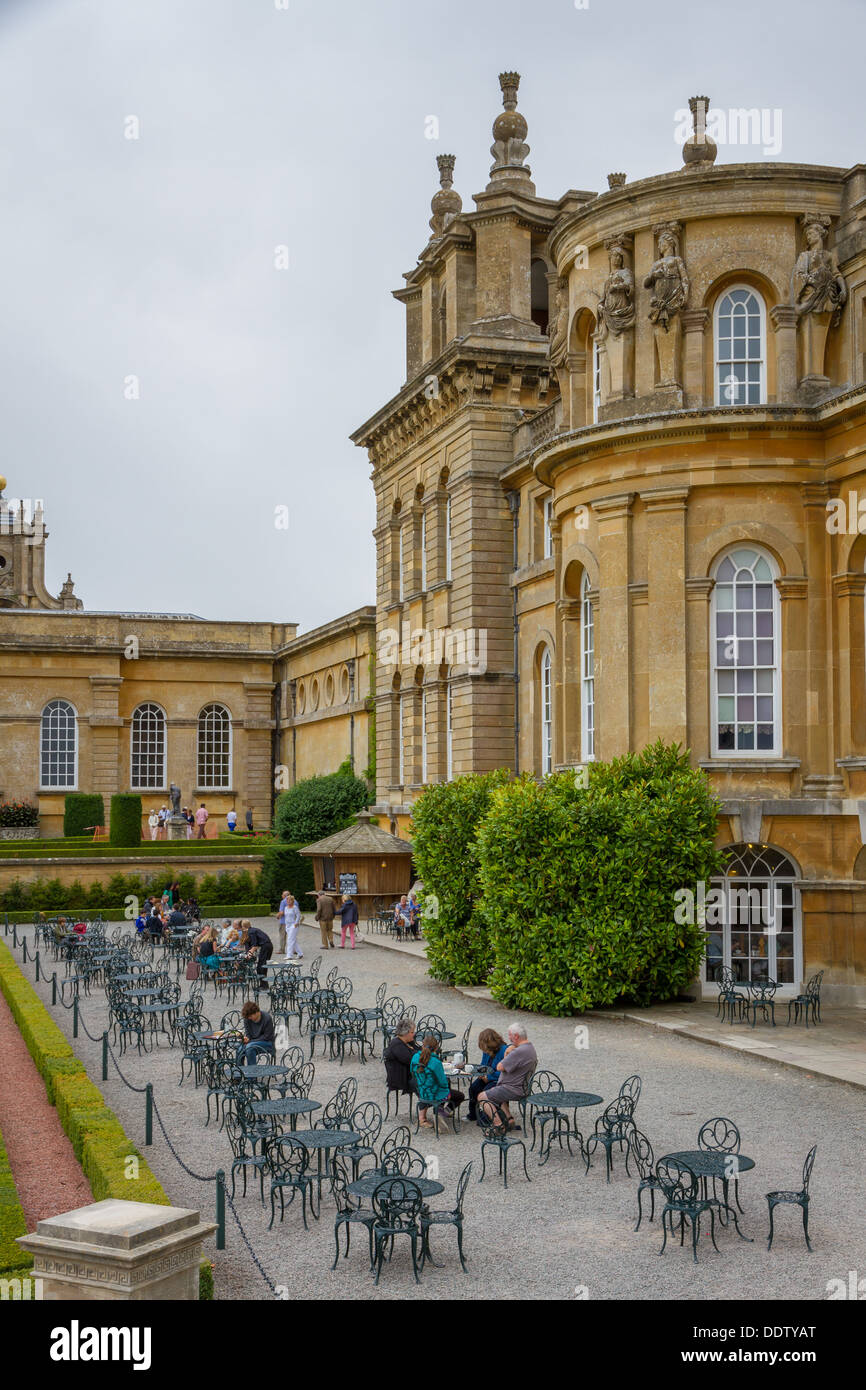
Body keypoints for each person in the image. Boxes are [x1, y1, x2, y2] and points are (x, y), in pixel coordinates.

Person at [478, 1022, 538, 1132]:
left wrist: (506, 1053)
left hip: (513, 1088)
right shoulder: (529, 1047)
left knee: (482, 1097)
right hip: (522, 1086)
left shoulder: (518, 1051)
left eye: (510, 1035)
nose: (509, 1038)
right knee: (494, 1090)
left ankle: (498, 1125)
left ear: (516, 1036)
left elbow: (500, 1066)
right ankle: (509, 1119)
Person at [410, 1032, 464, 1130]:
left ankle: (438, 1112)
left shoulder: (415, 1058)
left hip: (421, 1092)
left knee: (438, 1088)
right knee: (459, 1096)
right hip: (436, 1095)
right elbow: (442, 1082)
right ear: (436, 1048)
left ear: (422, 1045)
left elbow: (412, 1072)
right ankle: (441, 1113)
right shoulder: (436, 1062)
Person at [467, 1027, 508, 1122]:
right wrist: (481, 1073)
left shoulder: (504, 1051)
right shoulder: (486, 1050)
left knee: (485, 1092)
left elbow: (505, 1072)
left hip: (497, 1079)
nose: (485, 1051)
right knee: (473, 1088)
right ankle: (473, 1114)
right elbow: (483, 1064)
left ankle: (486, 1118)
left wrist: (489, 1077)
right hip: (487, 1077)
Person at [383, 1017, 419, 1106]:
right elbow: (410, 1060)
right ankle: (429, 1104)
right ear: (405, 1033)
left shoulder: (408, 1042)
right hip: (401, 1078)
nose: (414, 1034)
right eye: (412, 1032)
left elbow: (419, 1051)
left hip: (409, 1074)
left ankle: (438, 1105)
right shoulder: (397, 1044)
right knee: (425, 1081)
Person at [236, 1000, 275, 1066]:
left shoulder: (267, 1018)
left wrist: (251, 1041)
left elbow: (267, 1036)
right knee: (239, 1049)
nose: (249, 1018)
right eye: (248, 1017)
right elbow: (248, 1033)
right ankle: (238, 1074)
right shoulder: (247, 1019)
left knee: (249, 1048)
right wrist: (247, 1039)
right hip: (252, 1042)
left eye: (250, 1016)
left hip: (267, 1043)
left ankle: (251, 1075)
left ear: (256, 1012)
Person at [284, 894, 302, 959]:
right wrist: (286, 925)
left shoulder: (295, 907)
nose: (288, 901)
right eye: (287, 900)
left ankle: (289, 955)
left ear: (292, 901)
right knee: (293, 940)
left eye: (290, 900)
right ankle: (300, 953)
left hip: (293, 925)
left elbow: (298, 915)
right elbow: (286, 917)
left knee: (290, 940)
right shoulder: (285, 908)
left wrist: (296, 923)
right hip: (287, 926)